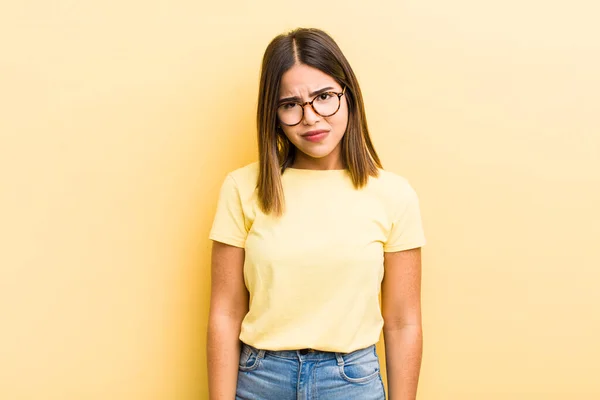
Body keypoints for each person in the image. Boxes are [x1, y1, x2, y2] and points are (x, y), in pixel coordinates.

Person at [207, 27, 426, 400]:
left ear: (348, 96)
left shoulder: (393, 194)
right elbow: (225, 314)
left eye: (324, 97)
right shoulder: (242, 188)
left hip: (351, 382)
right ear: (273, 114)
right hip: (260, 380)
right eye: (290, 104)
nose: (310, 117)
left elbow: (403, 322)